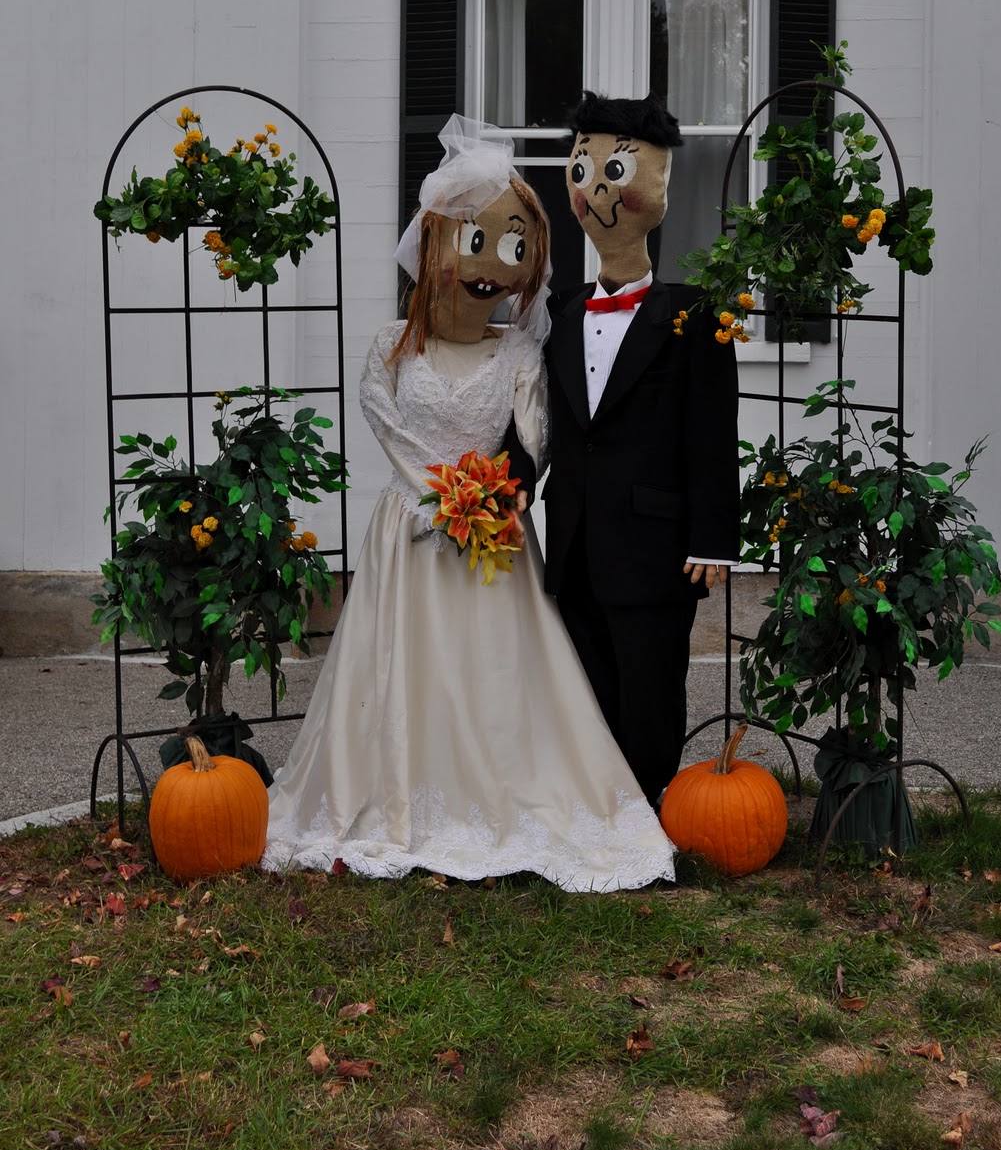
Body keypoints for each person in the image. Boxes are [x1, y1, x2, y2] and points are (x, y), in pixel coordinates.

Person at [263, 115, 675, 891]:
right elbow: (383, 420)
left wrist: (487, 495)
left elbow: (537, 436)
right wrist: (437, 495)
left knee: (496, 674)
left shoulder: (519, 350)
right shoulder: (391, 345)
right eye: (479, 241)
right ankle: (393, 796)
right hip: (409, 530)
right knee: (400, 667)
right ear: (434, 243)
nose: (496, 264)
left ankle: (512, 795)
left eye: (517, 248)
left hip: (494, 535)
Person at [542, 90, 740, 808]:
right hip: (573, 539)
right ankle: (598, 806)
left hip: (656, 546)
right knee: (587, 680)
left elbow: (713, 433)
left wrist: (713, 539)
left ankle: (650, 808)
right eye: (581, 169)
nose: (593, 188)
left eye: (612, 171)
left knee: (650, 684)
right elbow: (549, 422)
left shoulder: (692, 314)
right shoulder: (563, 310)